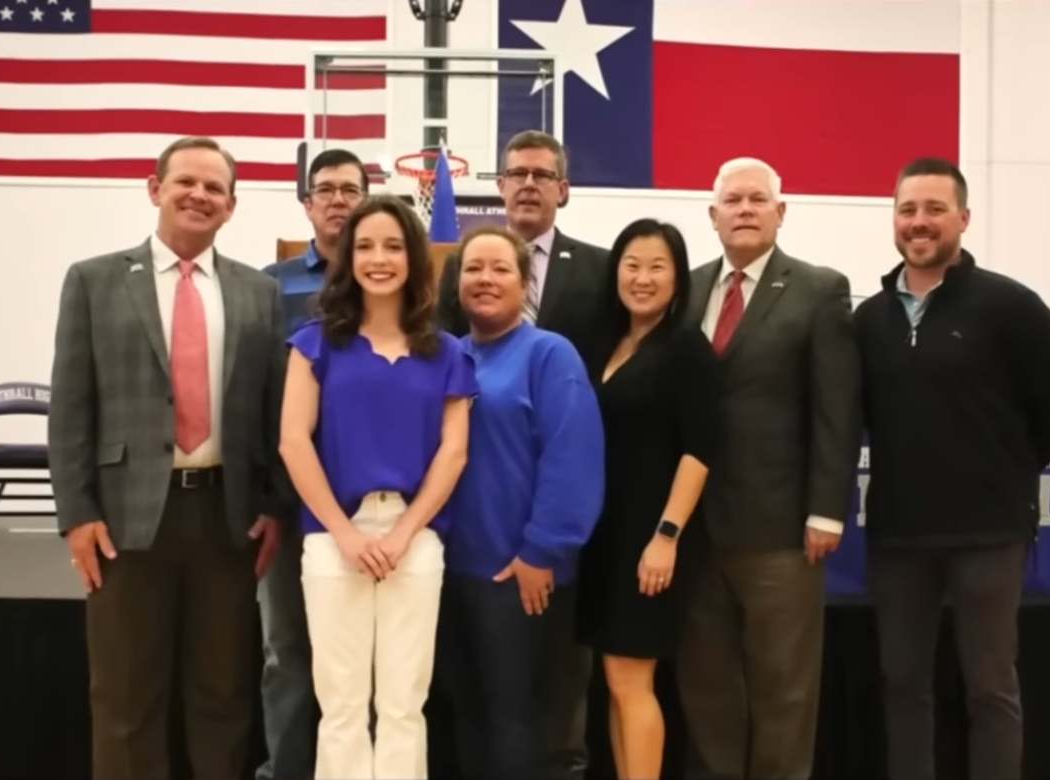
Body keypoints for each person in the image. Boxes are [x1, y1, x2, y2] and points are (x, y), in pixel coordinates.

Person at [48, 136, 291, 780]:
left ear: (232, 207)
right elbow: (71, 406)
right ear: (154, 189)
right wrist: (76, 514)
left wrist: (272, 508)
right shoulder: (93, 280)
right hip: (124, 523)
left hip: (227, 517)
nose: (199, 195)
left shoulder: (257, 294)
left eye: (215, 188)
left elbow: (273, 414)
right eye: (186, 181)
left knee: (223, 696)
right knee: (127, 697)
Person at [853, 157, 1050, 780]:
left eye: (933, 209)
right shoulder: (869, 319)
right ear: (894, 219)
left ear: (963, 218)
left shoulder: (1011, 305)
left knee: (989, 686)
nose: (919, 222)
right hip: (900, 535)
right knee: (903, 684)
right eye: (907, 210)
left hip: (990, 532)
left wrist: (1005, 471)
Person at [278, 194, 477, 780]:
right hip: (332, 537)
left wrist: (406, 532)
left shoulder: (446, 353)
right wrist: (342, 533)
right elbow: (294, 442)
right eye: (365, 246)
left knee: (402, 706)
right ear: (348, 257)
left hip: (413, 541)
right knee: (339, 706)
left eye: (393, 246)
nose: (379, 258)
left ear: (413, 257)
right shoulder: (313, 344)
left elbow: (454, 451)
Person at [678, 157, 863, 780]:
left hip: (782, 530)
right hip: (696, 531)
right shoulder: (688, 286)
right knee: (709, 690)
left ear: (781, 213)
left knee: (783, 692)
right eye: (733, 201)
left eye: (759, 199)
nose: (746, 209)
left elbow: (837, 409)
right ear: (712, 216)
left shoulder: (819, 289)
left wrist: (827, 510)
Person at [437, 127, 609, 780]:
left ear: (521, 278)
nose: (485, 278)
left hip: (519, 576)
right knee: (467, 713)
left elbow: (574, 461)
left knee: (515, 719)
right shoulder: (448, 356)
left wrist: (543, 551)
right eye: (474, 268)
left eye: (500, 268)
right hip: (450, 571)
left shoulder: (549, 353)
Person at [576, 219, 720, 780]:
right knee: (615, 681)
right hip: (604, 536)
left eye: (657, 266)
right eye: (631, 265)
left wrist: (667, 536)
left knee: (632, 680)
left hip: (650, 538)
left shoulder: (686, 346)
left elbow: (700, 450)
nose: (642, 278)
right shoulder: (606, 341)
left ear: (679, 278)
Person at [256, 147, 368, 780]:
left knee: (364, 661)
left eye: (349, 189)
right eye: (323, 189)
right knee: (288, 655)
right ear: (306, 203)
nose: (336, 200)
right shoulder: (268, 286)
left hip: (369, 506)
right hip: (287, 502)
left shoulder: (398, 283)